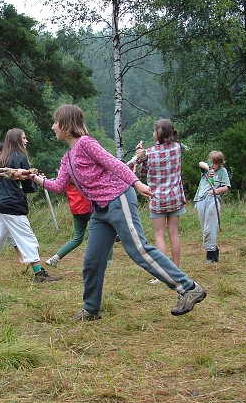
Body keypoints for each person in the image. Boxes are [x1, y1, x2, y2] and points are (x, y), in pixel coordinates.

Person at [17, 105, 207, 320]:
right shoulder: (67, 157)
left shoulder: (86, 143)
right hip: (99, 210)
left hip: (119, 199)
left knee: (139, 250)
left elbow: (114, 164)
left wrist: (136, 183)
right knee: (92, 260)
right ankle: (91, 310)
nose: (53, 127)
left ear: (67, 125)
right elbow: (58, 186)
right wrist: (30, 177)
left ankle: (188, 288)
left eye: (55, 122)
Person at [0, 128, 61, 283]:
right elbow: (28, 187)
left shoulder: (3, 158)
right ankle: (39, 273)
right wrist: (37, 181)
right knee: (27, 238)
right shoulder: (20, 157)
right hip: (12, 206)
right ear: (17, 140)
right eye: (24, 138)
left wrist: (32, 178)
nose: (26, 141)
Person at [134, 119, 186, 283]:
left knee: (159, 235)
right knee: (174, 233)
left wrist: (140, 156)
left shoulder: (149, 153)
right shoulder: (177, 148)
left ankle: (163, 274)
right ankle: (176, 271)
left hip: (157, 199)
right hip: (175, 197)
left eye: (154, 130)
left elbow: (141, 172)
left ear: (158, 133)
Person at [46, 182, 114, 268]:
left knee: (77, 238)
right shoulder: (81, 179)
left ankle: (54, 259)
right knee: (107, 232)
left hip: (76, 211)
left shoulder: (65, 181)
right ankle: (108, 262)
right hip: (88, 209)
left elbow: (55, 184)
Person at [194, 151, 231, 263]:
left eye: (216, 163)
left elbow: (227, 187)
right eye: (212, 163)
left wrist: (215, 191)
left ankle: (210, 256)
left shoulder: (222, 171)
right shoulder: (206, 168)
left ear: (220, 163)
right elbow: (200, 163)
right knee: (204, 227)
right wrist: (209, 168)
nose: (214, 165)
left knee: (210, 227)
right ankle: (214, 251)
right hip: (200, 199)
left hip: (212, 199)